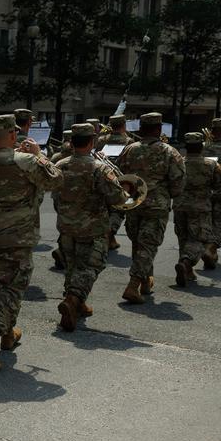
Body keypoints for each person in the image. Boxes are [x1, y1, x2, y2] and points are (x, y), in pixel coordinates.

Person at [0, 114, 62, 371]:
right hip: (17, 238)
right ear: (13, 135)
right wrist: (40, 154)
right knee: (10, 291)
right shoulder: (28, 161)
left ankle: (7, 335)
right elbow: (57, 180)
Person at [53, 124, 129, 331]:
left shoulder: (60, 165)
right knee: (92, 265)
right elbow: (118, 198)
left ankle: (77, 303)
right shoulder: (100, 168)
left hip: (66, 226)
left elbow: (55, 197)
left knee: (72, 265)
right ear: (92, 142)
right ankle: (73, 298)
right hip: (92, 228)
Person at [117, 112, 185, 304]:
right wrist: (168, 194)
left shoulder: (129, 149)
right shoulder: (170, 152)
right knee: (148, 245)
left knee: (139, 244)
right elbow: (178, 182)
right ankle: (133, 285)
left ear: (141, 129)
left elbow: (120, 175)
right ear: (159, 129)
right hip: (157, 205)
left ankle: (146, 281)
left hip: (134, 202)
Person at [173, 132, 221, 287]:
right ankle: (185, 262)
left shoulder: (178, 163)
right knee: (199, 239)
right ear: (202, 146)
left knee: (183, 237)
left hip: (179, 206)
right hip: (200, 207)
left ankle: (187, 270)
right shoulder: (211, 165)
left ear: (186, 147)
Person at [100, 115, 134, 250]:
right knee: (119, 210)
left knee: (105, 208)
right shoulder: (129, 141)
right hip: (121, 179)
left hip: (103, 177)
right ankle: (109, 234)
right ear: (124, 125)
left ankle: (111, 240)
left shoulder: (101, 140)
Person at [203, 117, 221, 268]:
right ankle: (211, 248)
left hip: (207, 190)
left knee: (210, 222)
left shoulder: (205, 148)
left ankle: (211, 255)